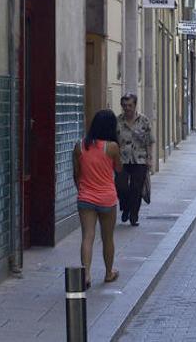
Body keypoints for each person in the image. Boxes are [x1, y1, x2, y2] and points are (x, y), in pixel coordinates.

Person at [73, 109, 123, 289]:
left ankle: (86, 274)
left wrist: (82, 190)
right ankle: (109, 273)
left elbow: (76, 174)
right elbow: (118, 169)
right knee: (107, 237)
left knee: (87, 236)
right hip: (107, 199)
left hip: (85, 197)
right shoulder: (111, 147)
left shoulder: (79, 146)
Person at [116, 93, 155, 227]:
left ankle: (134, 215)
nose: (127, 108)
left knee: (136, 188)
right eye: (125, 106)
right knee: (121, 186)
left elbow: (149, 141)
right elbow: (113, 142)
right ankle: (125, 207)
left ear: (135, 105)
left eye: (130, 105)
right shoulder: (118, 121)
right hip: (122, 159)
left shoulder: (144, 121)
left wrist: (149, 158)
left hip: (140, 159)